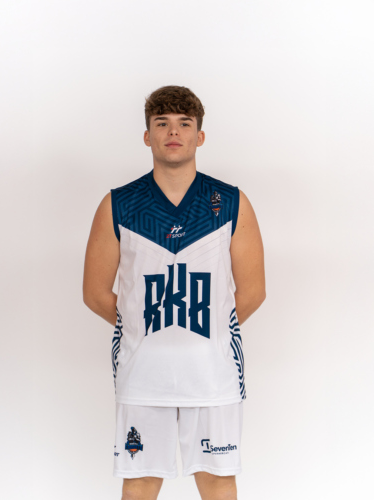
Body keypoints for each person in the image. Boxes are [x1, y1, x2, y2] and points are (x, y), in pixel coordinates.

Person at [83, 85, 266, 500]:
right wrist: (141, 326)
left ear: (199, 136)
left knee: (218, 483)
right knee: (140, 484)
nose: (173, 132)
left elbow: (253, 292)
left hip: (213, 374)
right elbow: (95, 293)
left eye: (184, 124)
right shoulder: (119, 204)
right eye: (162, 123)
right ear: (147, 135)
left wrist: (210, 327)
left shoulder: (230, 202)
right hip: (143, 374)